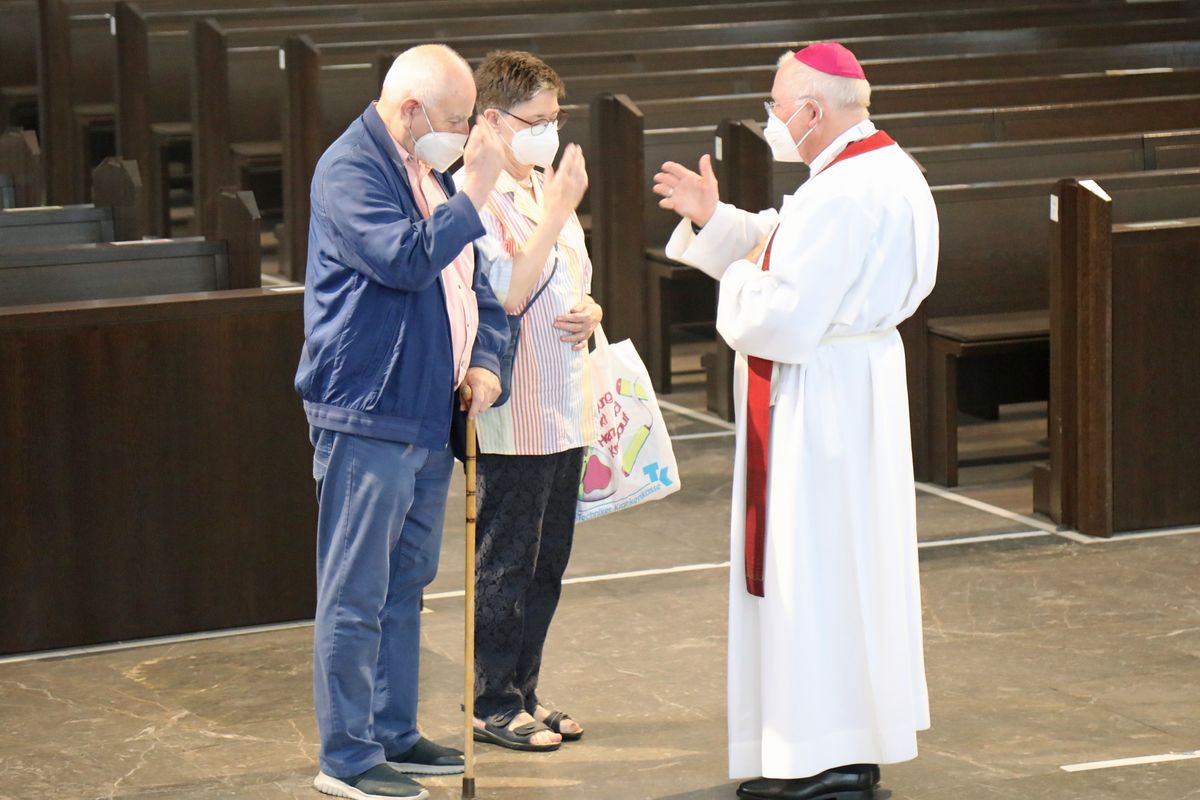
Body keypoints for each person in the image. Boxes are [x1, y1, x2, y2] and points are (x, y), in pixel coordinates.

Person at [654, 42, 937, 800]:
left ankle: (826, 753)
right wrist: (717, 222)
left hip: (821, 400)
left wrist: (740, 277)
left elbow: (782, 309)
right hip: (851, 385)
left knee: (813, 569)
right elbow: (789, 244)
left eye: (777, 107)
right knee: (847, 567)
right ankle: (840, 742)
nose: (772, 120)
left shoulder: (846, 192)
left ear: (813, 111)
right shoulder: (877, 169)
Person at [294, 43, 510, 800]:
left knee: (406, 583)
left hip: (426, 411)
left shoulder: (434, 169)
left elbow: (476, 286)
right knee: (355, 589)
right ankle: (345, 757)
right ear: (412, 109)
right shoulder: (350, 169)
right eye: (455, 120)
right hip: (367, 407)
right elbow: (405, 259)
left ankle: (393, 732)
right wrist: (476, 193)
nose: (463, 135)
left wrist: (487, 359)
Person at [453, 50, 602, 752]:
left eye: (554, 120)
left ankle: (525, 690)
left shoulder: (545, 183)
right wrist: (561, 210)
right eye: (536, 121)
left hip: (564, 403)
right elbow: (509, 293)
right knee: (505, 562)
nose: (549, 132)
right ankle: (489, 700)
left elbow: (571, 274)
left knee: (548, 563)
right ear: (491, 118)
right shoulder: (475, 193)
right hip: (511, 410)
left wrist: (592, 308)